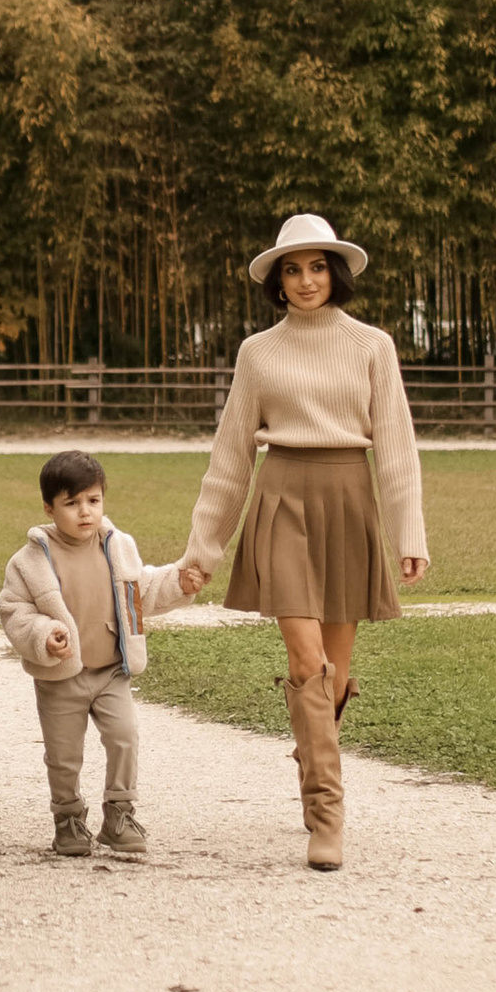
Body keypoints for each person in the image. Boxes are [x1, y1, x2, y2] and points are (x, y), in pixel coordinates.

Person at [179, 213, 427, 870]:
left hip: (350, 499)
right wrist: (202, 550)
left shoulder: (372, 345)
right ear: (278, 281)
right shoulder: (257, 353)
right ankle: (326, 815)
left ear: (335, 273)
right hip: (282, 496)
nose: (306, 280)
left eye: (317, 266)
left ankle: (314, 737)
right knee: (305, 658)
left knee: (335, 672)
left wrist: (411, 534)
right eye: (293, 269)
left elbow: (397, 450)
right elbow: (231, 460)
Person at [0, 447, 198, 860]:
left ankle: (119, 814)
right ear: (49, 508)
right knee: (64, 753)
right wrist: (44, 634)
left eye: (93, 500)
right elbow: (14, 609)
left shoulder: (116, 546)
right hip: (61, 678)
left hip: (111, 671)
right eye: (71, 503)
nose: (85, 512)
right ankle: (68, 819)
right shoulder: (31, 560)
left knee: (124, 737)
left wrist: (179, 584)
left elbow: (140, 589)